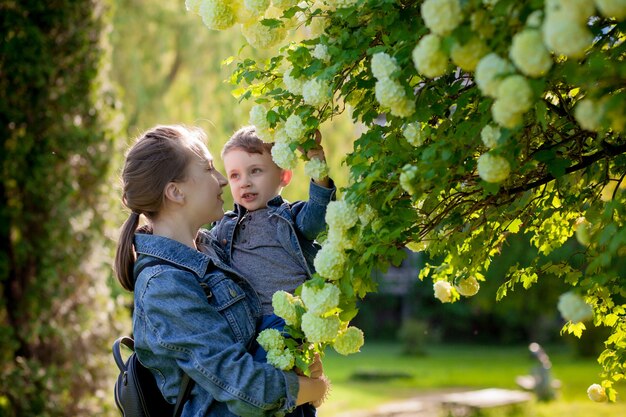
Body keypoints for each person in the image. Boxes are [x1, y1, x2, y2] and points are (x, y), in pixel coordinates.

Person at [114, 125, 328, 417]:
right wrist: (314, 388)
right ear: (176, 192)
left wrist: (299, 358)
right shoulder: (164, 285)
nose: (223, 181)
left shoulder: (215, 249)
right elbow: (245, 388)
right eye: (209, 168)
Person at [211, 126, 336, 361]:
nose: (244, 183)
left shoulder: (290, 217)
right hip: (242, 323)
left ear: (284, 176)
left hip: (284, 319)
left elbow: (318, 218)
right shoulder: (226, 226)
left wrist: (318, 168)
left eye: (255, 171)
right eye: (235, 175)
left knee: (270, 376)